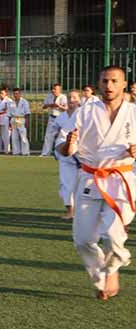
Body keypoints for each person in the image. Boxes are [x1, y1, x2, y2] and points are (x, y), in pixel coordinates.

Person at [60, 65, 136, 300]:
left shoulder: (133, 113)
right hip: (90, 178)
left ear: (124, 84)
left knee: (113, 236)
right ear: (99, 84)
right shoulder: (84, 112)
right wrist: (69, 144)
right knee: (83, 240)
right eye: (105, 81)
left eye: (114, 81)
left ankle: (112, 269)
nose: (109, 86)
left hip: (120, 179)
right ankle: (100, 276)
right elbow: (63, 149)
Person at [46, 89, 82, 220]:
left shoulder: (84, 114)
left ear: (79, 100)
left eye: (74, 97)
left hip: (82, 154)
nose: (71, 100)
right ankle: (70, 211)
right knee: (66, 183)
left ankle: (84, 211)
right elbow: (53, 130)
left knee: (84, 184)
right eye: (69, 97)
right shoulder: (61, 117)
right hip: (65, 152)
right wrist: (58, 134)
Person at [40, 84, 68, 156]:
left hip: (61, 118)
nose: (53, 90)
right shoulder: (49, 96)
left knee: (62, 135)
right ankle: (45, 153)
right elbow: (44, 106)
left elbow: (66, 109)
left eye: (55, 89)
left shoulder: (63, 97)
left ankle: (61, 152)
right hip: (52, 117)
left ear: (59, 90)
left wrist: (58, 106)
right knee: (48, 136)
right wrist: (50, 105)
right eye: (52, 89)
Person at [7, 88, 31, 156]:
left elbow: (27, 113)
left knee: (23, 136)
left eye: (17, 93)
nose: (16, 95)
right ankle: (16, 151)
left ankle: (25, 152)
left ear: (20, 94)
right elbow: (9, 114)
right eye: (14, 94)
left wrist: (27, 121)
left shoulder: (24, 102)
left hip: (21, 118)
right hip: (14, 119)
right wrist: (9, 123)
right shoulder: (11, 103)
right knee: (14, 136)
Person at [0, 87, 12, 154]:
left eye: (2, 93)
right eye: (0, 93)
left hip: (6, 118)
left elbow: (10, 110)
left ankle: (7, 150)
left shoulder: (9, 101)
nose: (0, 94)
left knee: (6, 136)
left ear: (6, 94)